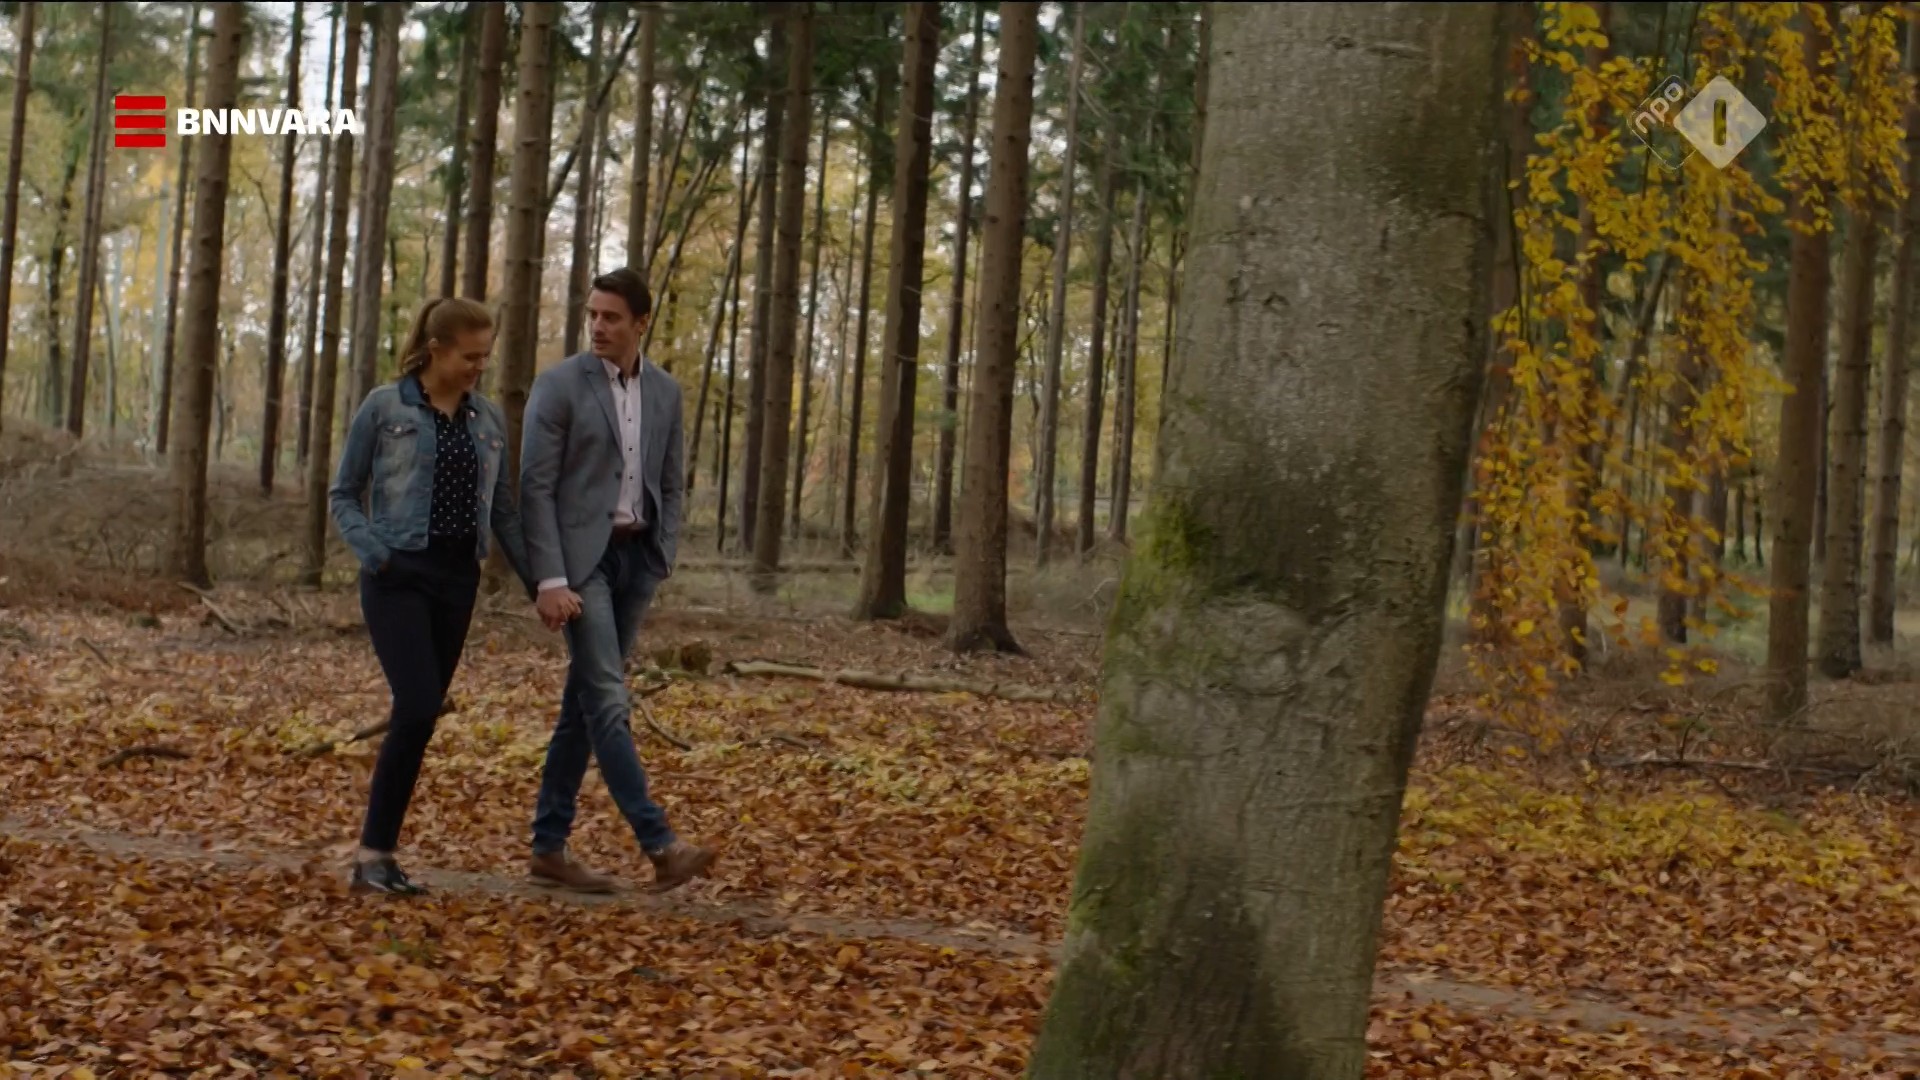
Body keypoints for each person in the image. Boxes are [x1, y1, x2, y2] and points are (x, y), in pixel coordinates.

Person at [520, 267, 718, 893]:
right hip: (583, 564)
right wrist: (549, 579)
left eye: (611, 317)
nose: (598, 326)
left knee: (582, 706)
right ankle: (660, 844)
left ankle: (548, 846)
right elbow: (535, 487)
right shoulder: (559, 385)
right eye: (593, 315)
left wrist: (665, 552)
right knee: (607, 697)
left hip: (639, 559)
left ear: (641, 323)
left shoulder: (666, 392)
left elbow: (671, 478)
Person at [329, 297, 535, 894]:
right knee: (418, 705)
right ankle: (372, 856)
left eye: (486, 356)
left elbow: (503, 513)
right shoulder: (384, 407)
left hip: (457, 582)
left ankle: (377, 856)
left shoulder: (487, 419)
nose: (479, 367)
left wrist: (541, 584)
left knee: (418, 721)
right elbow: (344, 494)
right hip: (397, 575)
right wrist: (377, 554)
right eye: (470, 356)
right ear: (436, 349)